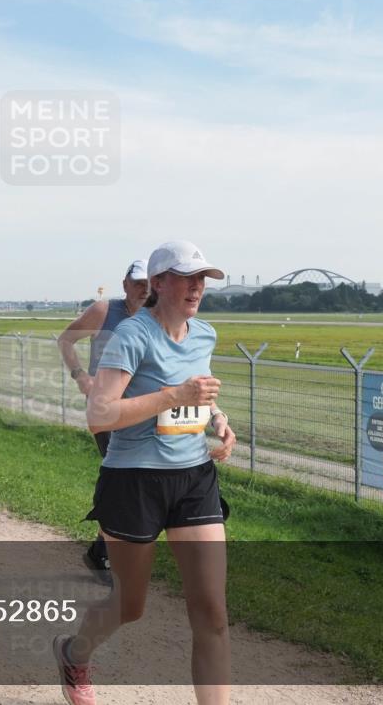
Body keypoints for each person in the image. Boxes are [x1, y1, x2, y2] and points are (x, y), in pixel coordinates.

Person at [53, 240, 237, 705]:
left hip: (194, 478)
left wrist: (218, 419)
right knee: (130, 605)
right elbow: (100, 415)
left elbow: (202, 387)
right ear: (158, 283)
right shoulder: (132, 335)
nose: (197, 286)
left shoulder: (204, 334)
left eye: (203, 278)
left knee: (212, 612)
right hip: (134, 480)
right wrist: (175, 396)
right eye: (186, 276)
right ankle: (75, 654)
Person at [57, 260, 149, 582]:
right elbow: (65, 340)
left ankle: (103, 549)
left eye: (150, 283)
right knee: (126, 476)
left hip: (144, 409)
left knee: (137, 478)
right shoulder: (104, 311)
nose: (144, 289)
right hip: (107, 410)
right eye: (137, 282)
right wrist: (81, 376)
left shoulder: (159, 316)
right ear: (125, 284)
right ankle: (107, 553)